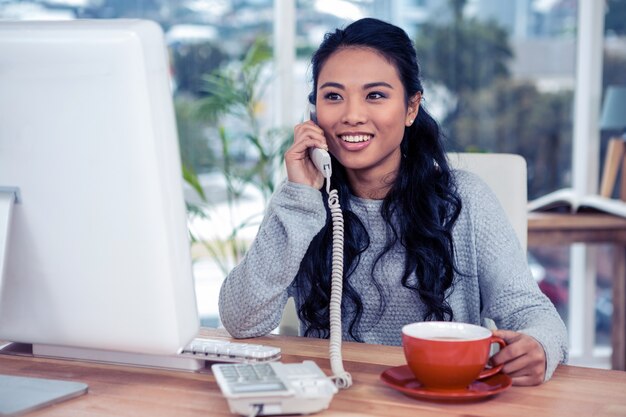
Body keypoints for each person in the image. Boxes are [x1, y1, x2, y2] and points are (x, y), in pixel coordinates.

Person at [219, 17, 568, 386]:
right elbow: (241, 320)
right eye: (333, 96)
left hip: (442, 403)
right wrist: (300, 199)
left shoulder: (465, 199)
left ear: (411, 107)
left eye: (376, 95)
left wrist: (540, 345)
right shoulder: (302, 201)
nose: (352, 116)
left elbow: (532, 311)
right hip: (337, 400)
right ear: (314, 113)